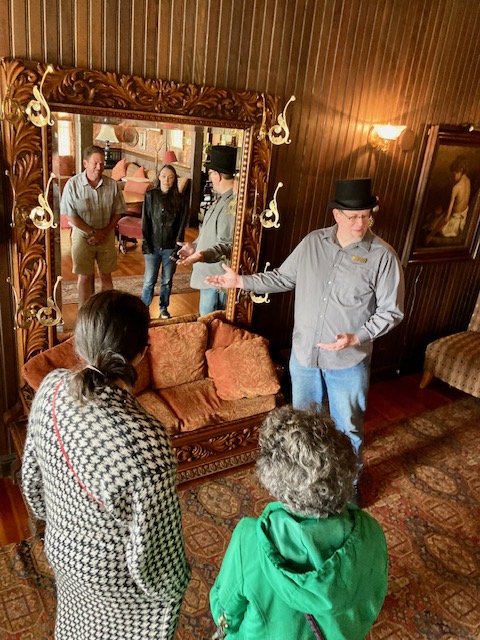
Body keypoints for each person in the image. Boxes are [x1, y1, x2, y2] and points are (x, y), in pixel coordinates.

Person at [205, 178, 405, 481]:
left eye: (366, 215)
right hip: (304, 357)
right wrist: (241, 282)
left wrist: (357, 336)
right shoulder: (313, 243)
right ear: (337, 215)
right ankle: (305, 482)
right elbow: (282, 278)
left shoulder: (383, 256)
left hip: (348, 362)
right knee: (303, 425)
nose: (360, 223)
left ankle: (347, 487)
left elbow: (392, 311)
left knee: (348, 429)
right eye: (353, 216)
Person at [21, 290, 191, 640]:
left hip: (61, 551)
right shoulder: (147, 439)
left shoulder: (50, 389)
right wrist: (177, 588)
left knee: (74, 628)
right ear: (143, 351)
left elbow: (32, 486)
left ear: (78, 344)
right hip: (113, 580)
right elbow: (157, 559)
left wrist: (68, 526)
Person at [210, 405, 388, 639]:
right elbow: (373, 592)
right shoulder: (369, 529)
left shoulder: (249, 540)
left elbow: (224, 611)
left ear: (273, 478)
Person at [60, 145, 127, 307]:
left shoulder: (112, 185)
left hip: (107, 234)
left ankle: (104, 311)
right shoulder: (72, 185)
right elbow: (70, 215)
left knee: (106, 276)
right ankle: (85, 313)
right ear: (85, 163)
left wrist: (103, 233)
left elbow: (118, 212)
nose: (99, 167)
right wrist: (93, 232)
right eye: (95, 163)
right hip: (83, 237)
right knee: (85, 276)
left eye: (102, 163)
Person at [177, 145, 237, 315]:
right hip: (209, 281)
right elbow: (210, 234)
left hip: (216, 283)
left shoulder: (231, 205)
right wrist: (194, 246)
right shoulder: (222, 199)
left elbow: (227, 245)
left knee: (213, 328)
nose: (210, 179)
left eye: (210, 174)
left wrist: (202, 255)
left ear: (216, 175)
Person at [141, 164, 188, 319]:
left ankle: (163, 308)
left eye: (171, 177)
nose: (166, 180)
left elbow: (181, 226)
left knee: (167, 280)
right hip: (152, 245)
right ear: (158, 177)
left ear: (175, 180)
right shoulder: (150, 196)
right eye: (163, 176)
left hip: (170, 247)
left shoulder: (180, 199)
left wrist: (177, 248)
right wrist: (146, 243)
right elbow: (145, 222)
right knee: (149, 280)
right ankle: (143, 309)